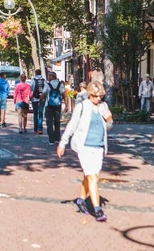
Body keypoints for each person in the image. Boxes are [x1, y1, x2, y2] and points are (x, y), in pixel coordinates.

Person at [57, 81, 113, 222]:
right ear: (89, 94)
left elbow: (108, 126)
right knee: (92, 178)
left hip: (99, 146)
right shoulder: (82, 106)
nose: (98, 98)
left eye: (100, 96)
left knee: (90, 176)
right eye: (95, 96)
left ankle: (81, 200)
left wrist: (109, 120)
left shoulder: (103, 106)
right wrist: (63, 143)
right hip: (85, 146)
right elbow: (72, 125)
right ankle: (97, 209)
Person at [44, 71, 68, 145]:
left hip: (49, 105)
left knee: (49, 123)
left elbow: (44, 93)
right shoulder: (60, 84)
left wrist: (40, 101)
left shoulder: (48, 84)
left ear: (52, 77)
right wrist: (66, 105)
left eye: (49, 76)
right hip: (58, 105)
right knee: (57, 122)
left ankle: (51, 140)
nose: (48, 78)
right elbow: (64, 94)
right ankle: (57, 138)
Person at [30, 69, 46, 135]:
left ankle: (35, 129)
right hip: (42, 99)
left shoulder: (33, 80)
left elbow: (31, 88)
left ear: (36, 73)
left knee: (35, 114)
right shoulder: (44, 80)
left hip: (35, 99)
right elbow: (45, 90)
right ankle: (40, 129)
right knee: (41, 114)